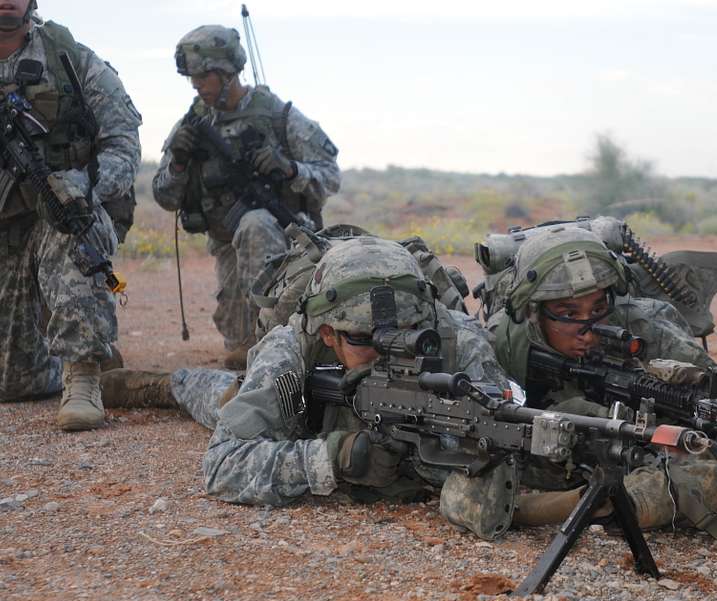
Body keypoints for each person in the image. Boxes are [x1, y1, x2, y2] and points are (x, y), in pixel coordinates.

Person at [101, 237, 512, 534]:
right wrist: (332, 458)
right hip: (302, 408)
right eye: (362, 339)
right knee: (228, 399)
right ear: (329, 334)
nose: (387, 352)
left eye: (410, 332)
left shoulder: (459, 338)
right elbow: (223, 466)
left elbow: (501, 431)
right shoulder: (293, 348)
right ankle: (171, 385)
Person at [486, 226, 717, 546]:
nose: (588, 326)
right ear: (534, 310)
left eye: (598, 307)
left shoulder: (644, 323)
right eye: (568, 314)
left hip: (655, 424)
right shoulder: (505, 342)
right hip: (579, 440)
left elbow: (715, 385)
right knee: (661, 489)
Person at [152, 25, 341, 369]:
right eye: (191, 77)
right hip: (229, 248)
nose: (197, 85)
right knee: (240, 351)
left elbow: (330, 176)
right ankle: (257, 339)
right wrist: (179, 163)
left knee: (255, 223)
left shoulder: (278, 115)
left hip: (290, 244)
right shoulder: (192, 125)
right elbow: (165, 197)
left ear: (228, 72)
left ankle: (276, 338)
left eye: (204, 75)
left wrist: (290, 170)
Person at [0, 0, 142, 431]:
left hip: (62, 212)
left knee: (70, 227)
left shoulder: (70, 60)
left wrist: (87, 190)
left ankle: (83, 372)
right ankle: (58, 346)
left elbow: (123, 143)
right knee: (14, 383)